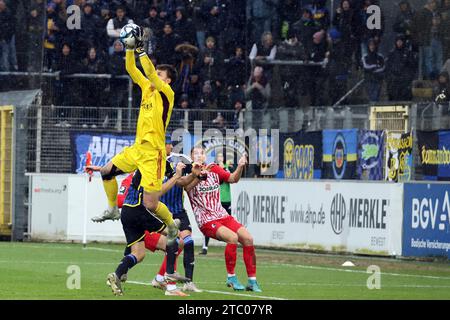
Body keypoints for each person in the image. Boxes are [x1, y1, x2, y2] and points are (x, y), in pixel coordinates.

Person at [88, 26, 180, 245]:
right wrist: (130, 49)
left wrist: (141, 49)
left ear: (167, 81)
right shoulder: (147, 88)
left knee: (150, 203)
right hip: (138, 148)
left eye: (160, 74)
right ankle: (112, 209)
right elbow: (131, 68)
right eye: (156, 72)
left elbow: (148, 71)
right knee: (106, 171)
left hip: (153, 153)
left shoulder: (167, 93)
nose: (155, 75)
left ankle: (171, 225)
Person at [105, 162, 191, 297]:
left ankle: (116, 274)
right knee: (175, 238)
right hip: (140, 212)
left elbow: (115, 168)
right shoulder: (152, 167)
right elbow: (155, 196)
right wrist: (176, 177)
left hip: (128, 212)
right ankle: (169, 281)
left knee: (139, 254)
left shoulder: (140, 166)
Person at [185, 146, 261, 292]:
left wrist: (240, 167)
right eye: (195, 153)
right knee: (232, 237)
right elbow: (187, 188)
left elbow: (232, 179)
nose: (199, 155)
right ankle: (231, 277)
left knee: (248, 239)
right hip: (206, 219)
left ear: (205, 157)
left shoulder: (214, 169)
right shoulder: (188, 173)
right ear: (191, 157)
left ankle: (252, 281)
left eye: (202, 153)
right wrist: (198, 175)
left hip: (222, 215)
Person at [149, 136, 203, 293]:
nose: (170, 148)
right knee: (173, 244)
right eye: (168, 145)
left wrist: (194, 174)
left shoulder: (181, 160)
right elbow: (180, 181)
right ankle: (165, 280)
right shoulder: (156, 164)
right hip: (163, 213)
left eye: (171, 145)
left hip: (179, 211)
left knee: (188, 242)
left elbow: (185, 183)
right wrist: (189, 175)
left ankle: (188, 283)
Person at [199, 152, 233, 255]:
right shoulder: (213, 169)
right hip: (217, 201)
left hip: (227, 199)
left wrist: (225, 168)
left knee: (229, 224)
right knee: (211, 223)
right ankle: (205, 247)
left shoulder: (227, 168)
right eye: (219, 156)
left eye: (221, 156)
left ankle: (230, 245)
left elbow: (230, 178)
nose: (220, 158)